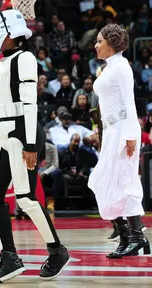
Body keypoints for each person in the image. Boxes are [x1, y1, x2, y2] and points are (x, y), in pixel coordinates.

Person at [0, 10, 70, 283]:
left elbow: (30, 105)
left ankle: (57, 250)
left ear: (11, 31)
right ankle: (9, 256)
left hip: (22, 133)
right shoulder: (5, 62)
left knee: (26, 198)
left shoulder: (25, 58)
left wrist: (30, 143)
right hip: (2, 132)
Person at [88, 24, 150, 258]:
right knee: (102, 182)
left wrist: (131, 136)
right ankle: (128, 237)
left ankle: (136, 237)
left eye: (99, 41)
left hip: (124, 130)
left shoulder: (122, 67)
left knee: (125, 183)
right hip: (111, 130)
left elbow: (129, 102)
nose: (95, 45)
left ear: (111, 43)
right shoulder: (110, 67)